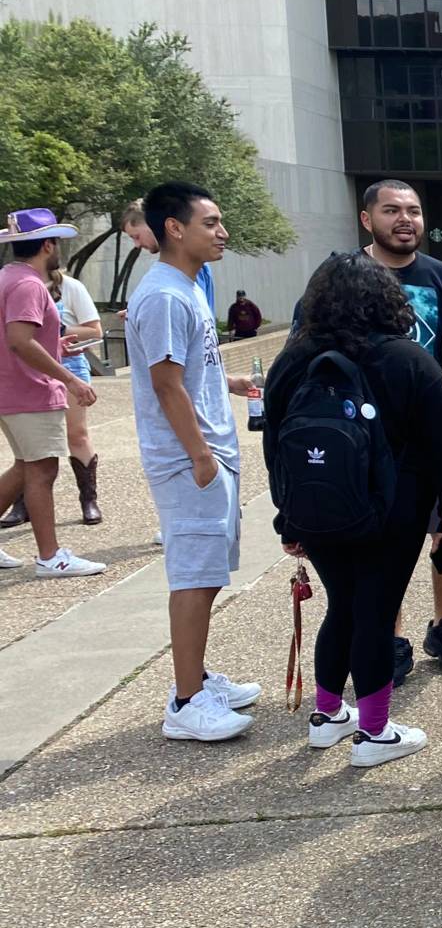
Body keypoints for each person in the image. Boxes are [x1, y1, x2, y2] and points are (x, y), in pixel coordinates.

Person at [262, 253, 442, 765]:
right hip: (396, 509)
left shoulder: (293, 360)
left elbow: (274, 446)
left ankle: (328, 716)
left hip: (317, 504)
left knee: (342, 606)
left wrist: (288, 514)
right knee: (375, 611)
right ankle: (375, 733)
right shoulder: (409, 359)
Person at [320, 180, 442, 682]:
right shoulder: (341, 277)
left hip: (429, 427)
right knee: (380, 541)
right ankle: (387, 634)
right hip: (363, 438)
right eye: (391, 210)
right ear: (367, 219)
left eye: (412, 210)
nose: (405, 219)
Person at [127, 183, 262, 738]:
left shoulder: (184, 288)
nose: (222, 232)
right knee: (193, 577)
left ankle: (198, 678)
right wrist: (200, 455)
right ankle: (186, 703)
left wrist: (225, 381)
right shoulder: (163, 294)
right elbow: (164, 384)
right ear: (175, 229)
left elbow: (183, 369)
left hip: (207, 453)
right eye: (211, 222)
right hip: (190, 461)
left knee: (207, 574)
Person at [0, 209, 104, 576]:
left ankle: (49, 554)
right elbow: (19, 341)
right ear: (48, 245)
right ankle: (50, 556)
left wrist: (54, 346)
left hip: (11, 389)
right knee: (42, 470)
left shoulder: (7, 277)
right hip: (30, 391)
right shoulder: (29, 284)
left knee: (25, 466)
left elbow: (18, 339)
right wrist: (71, 378)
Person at [51, 246, 105, 525]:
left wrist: (56, 329)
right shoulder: (19, 285)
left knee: (77, 434)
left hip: (70, 365)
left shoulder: (71, 287)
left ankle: (89, 499)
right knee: (33, 442)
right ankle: (23, 502)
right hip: (30, 368)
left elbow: (94, 331)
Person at [123, 200, 216, 316]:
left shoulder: (185, 263)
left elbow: (193, 313)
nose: (137, 244)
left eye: (136, 236)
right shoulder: (185, 260)